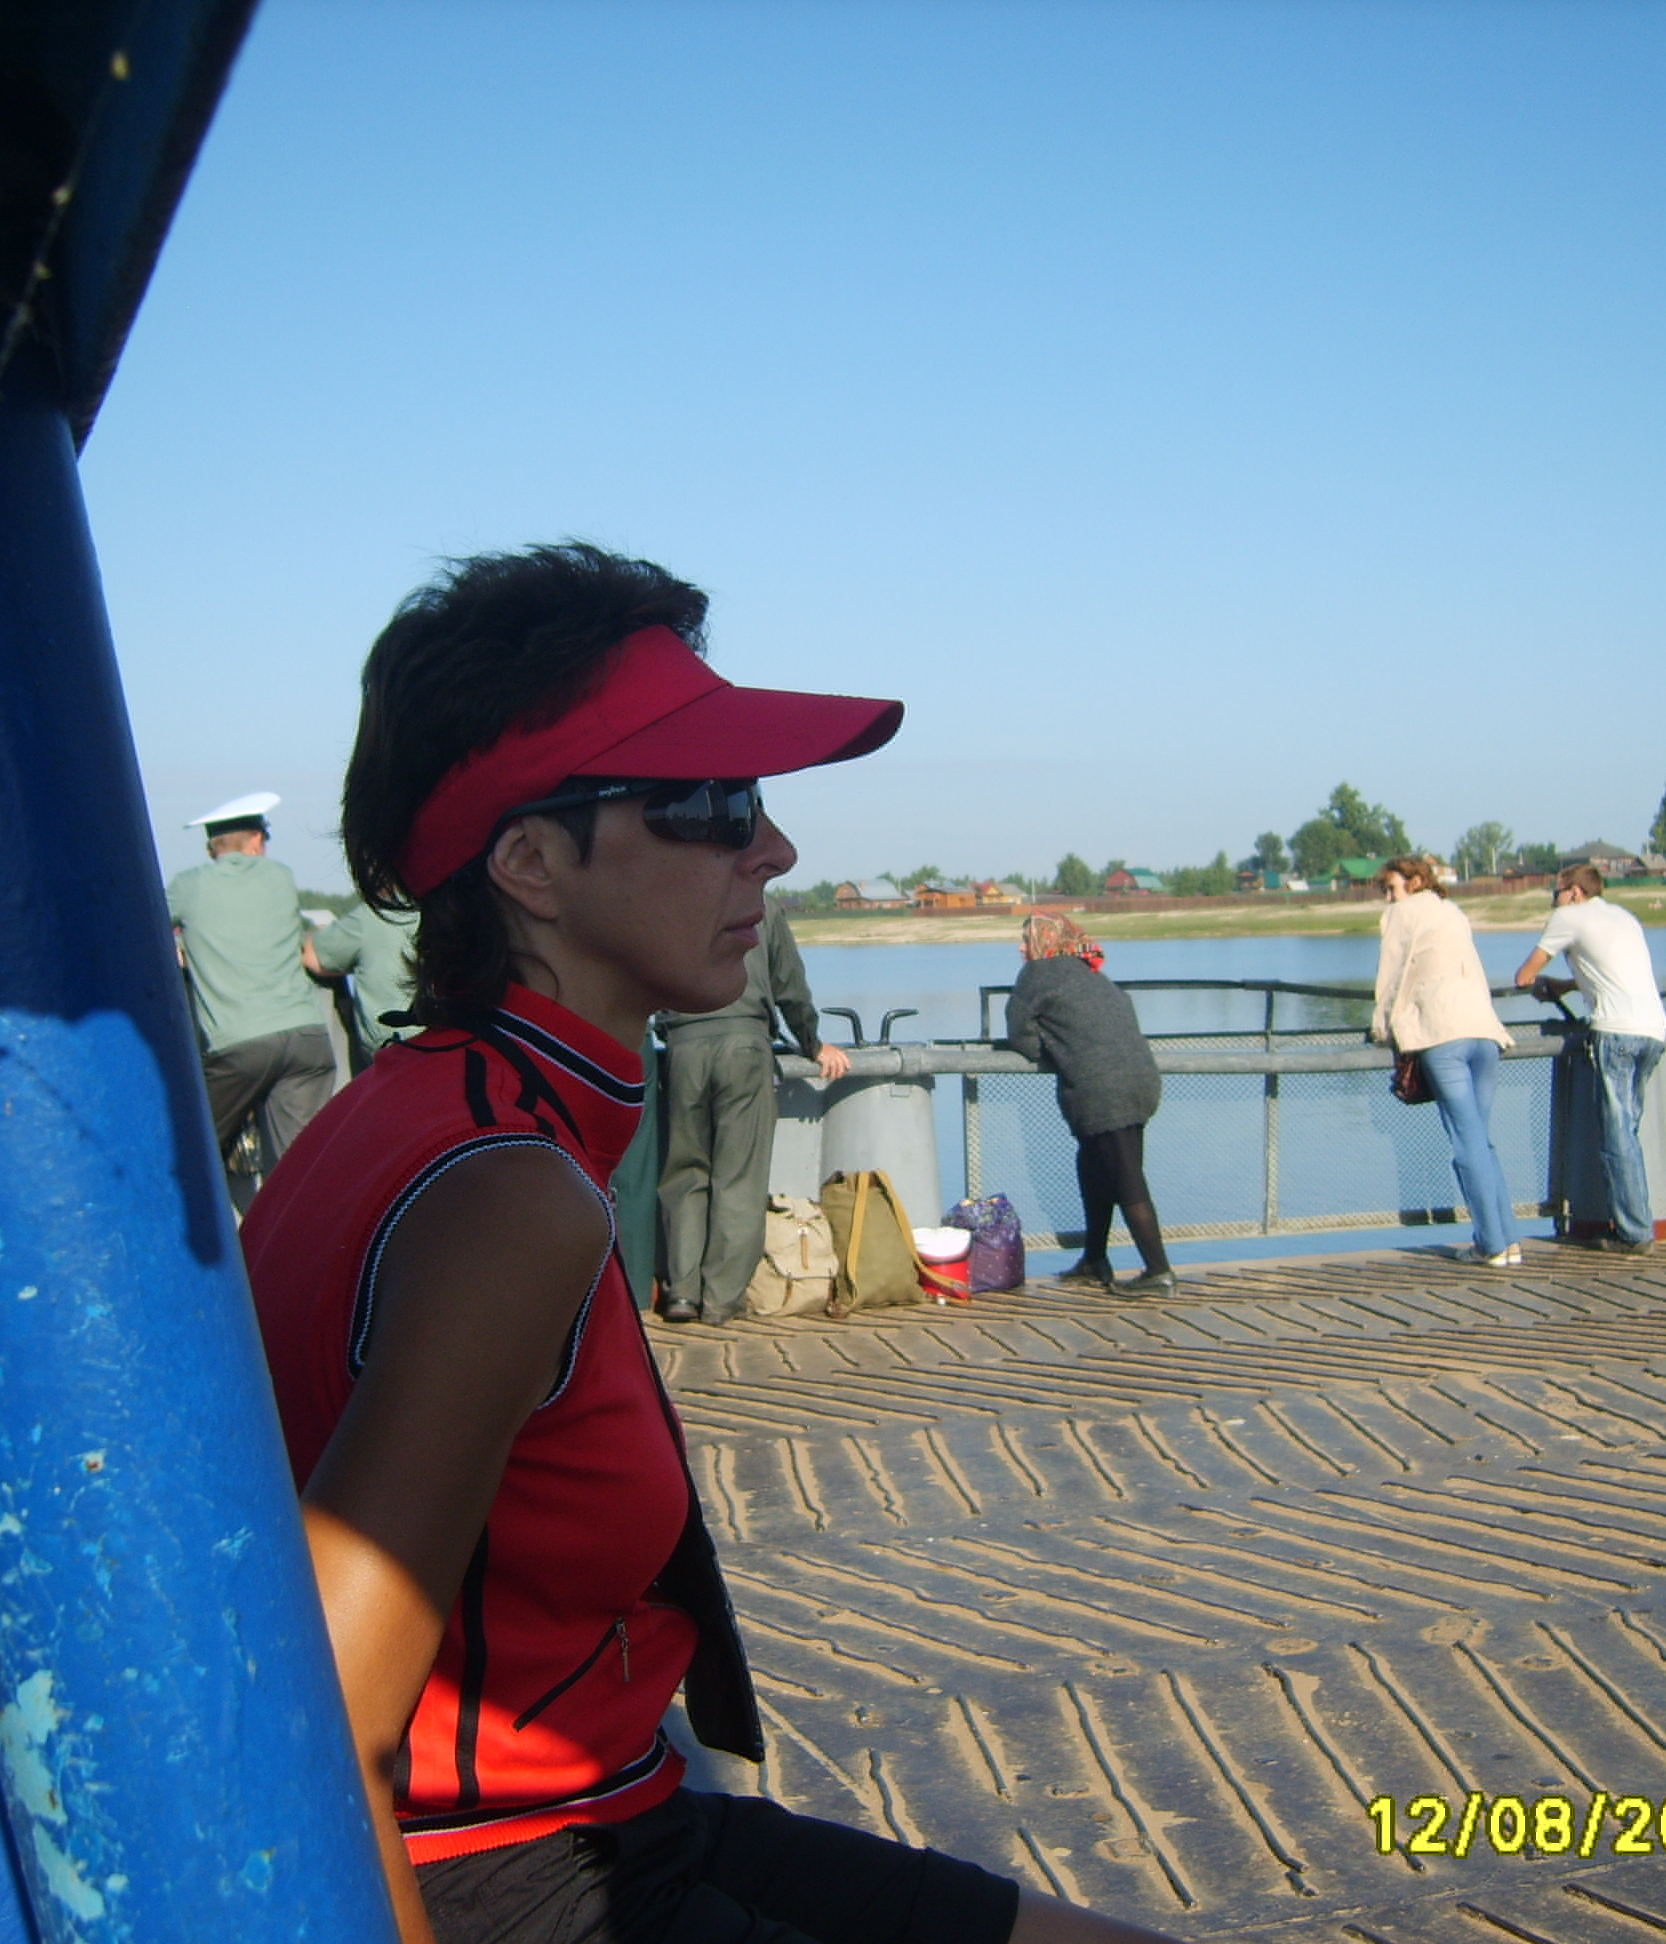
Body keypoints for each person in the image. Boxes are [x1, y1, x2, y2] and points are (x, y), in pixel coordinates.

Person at [242, 544, 1180, 1944]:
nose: (775, 848)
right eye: (712, 802)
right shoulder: (508, 1192)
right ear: (530, 862)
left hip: (620, 1803)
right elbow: (315, 1727)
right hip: (516, 1866)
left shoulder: (408, 1109)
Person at [655, 899, 851, 1324]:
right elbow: (789, 984)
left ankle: (682, 1293)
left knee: (685, 1174)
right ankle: (721, 1300)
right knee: (738, 1178)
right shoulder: (762, 906)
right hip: (744, 1045)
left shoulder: (669, 896)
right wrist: (812, 1043)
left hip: (683, 1047)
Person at [1005, 912, 1174, 1298]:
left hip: (1104, 1089)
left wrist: (1053, 1049)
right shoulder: (1091, 972)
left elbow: (1020, 1037)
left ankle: (1159, 1271)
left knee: (1126, 1178)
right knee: (1095, 1167)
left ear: (1046, 941)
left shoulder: (1037, 974)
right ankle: (1094, 1259)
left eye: (1027, 939)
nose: (1021, 947)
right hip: (1139, 1079)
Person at [166, 791, 336, 1169]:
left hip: (239, 1044)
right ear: (257, 841)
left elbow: (147, 930)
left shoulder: (188, 885)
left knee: (189, 1149)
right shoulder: (281, 876)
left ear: (212, 848)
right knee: (302, 1163)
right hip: (307, 1036)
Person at [1371, 854, 1521, 1266]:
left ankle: (1490, 1244)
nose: (1388, 898)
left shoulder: (1402, 914)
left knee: (1465, 1142)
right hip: (1484, 1032)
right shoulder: (1453, 911)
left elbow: (1392, 976)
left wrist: (1382, 1028)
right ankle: (1509, 1240)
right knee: (1480, 1140)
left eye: (1391, 888)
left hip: (1443, 1034)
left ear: (1415, 882)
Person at [1514, 862, 1666, 1254]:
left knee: (1617, 1137)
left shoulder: (1568, 917)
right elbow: (1610, 971)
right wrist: (1569, 985)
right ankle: (1636, 1222)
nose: (1554, 900)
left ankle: (1634, 1233)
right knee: (1628, 1130)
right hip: (1653, 1029)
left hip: (1616, 1031)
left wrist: (1541, 983)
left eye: (1556, 892)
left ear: (1575, 892)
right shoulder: (1623, 917)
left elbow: (1525, 975)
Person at [307, 900, 421, 1065]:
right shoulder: (446, 908)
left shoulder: (373, 915)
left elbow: (313, 957)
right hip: (444, 1044)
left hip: (391, 1049)